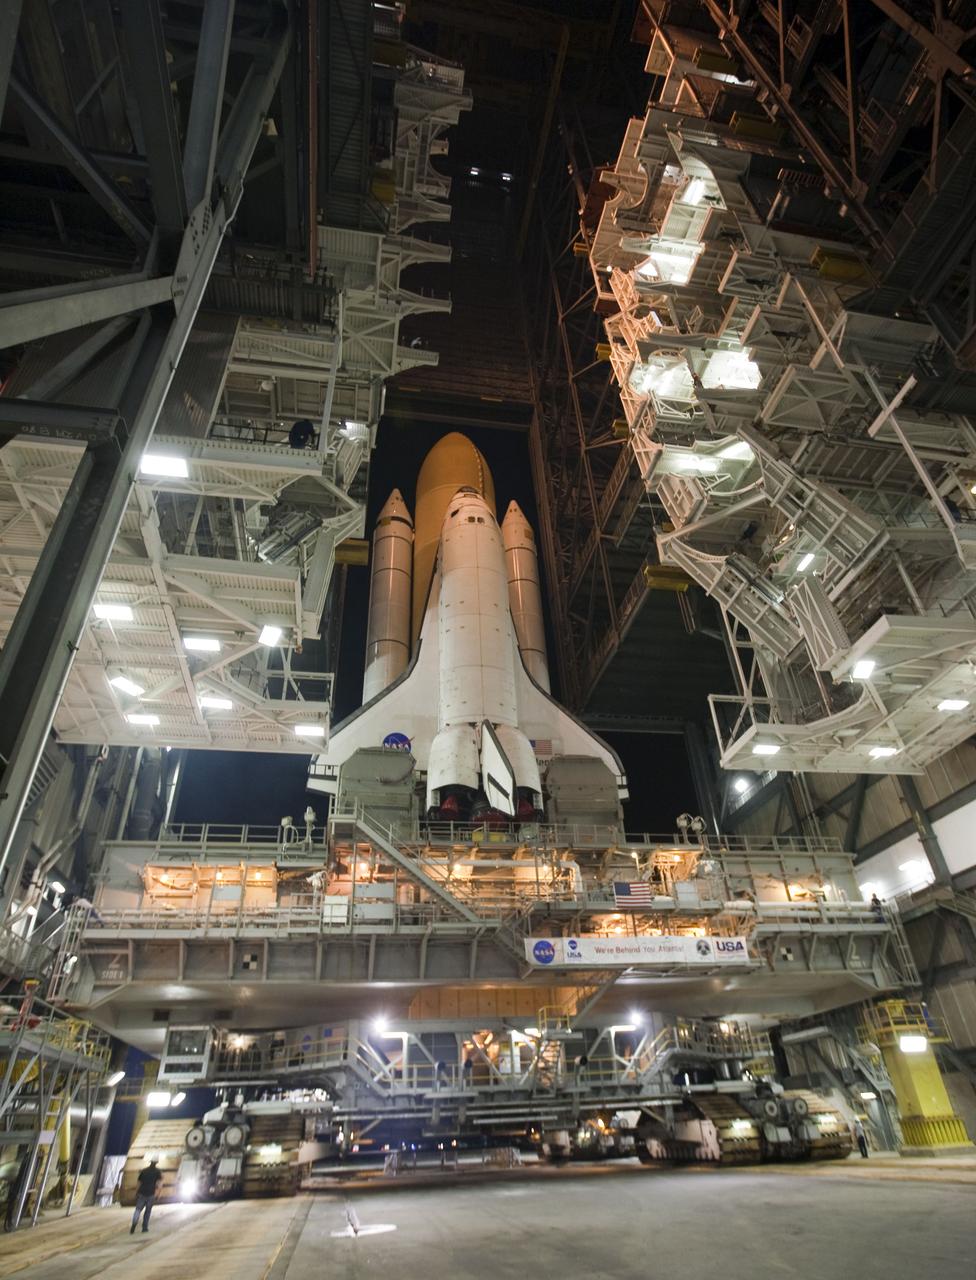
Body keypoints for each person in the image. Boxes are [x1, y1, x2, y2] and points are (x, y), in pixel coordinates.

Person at [130, 1159, 162, 1233]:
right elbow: (159, 1183)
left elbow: (139, 1182)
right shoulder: (157, 1172)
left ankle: (134, 1224)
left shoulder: (144, 1171)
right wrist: (158, 1194)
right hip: (151, 1194)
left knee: (138, 1209)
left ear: (150, 1162)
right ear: (156, 1163)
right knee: (147, 1211)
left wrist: (136, 1192)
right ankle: (144, 1228)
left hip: (141, 1193)